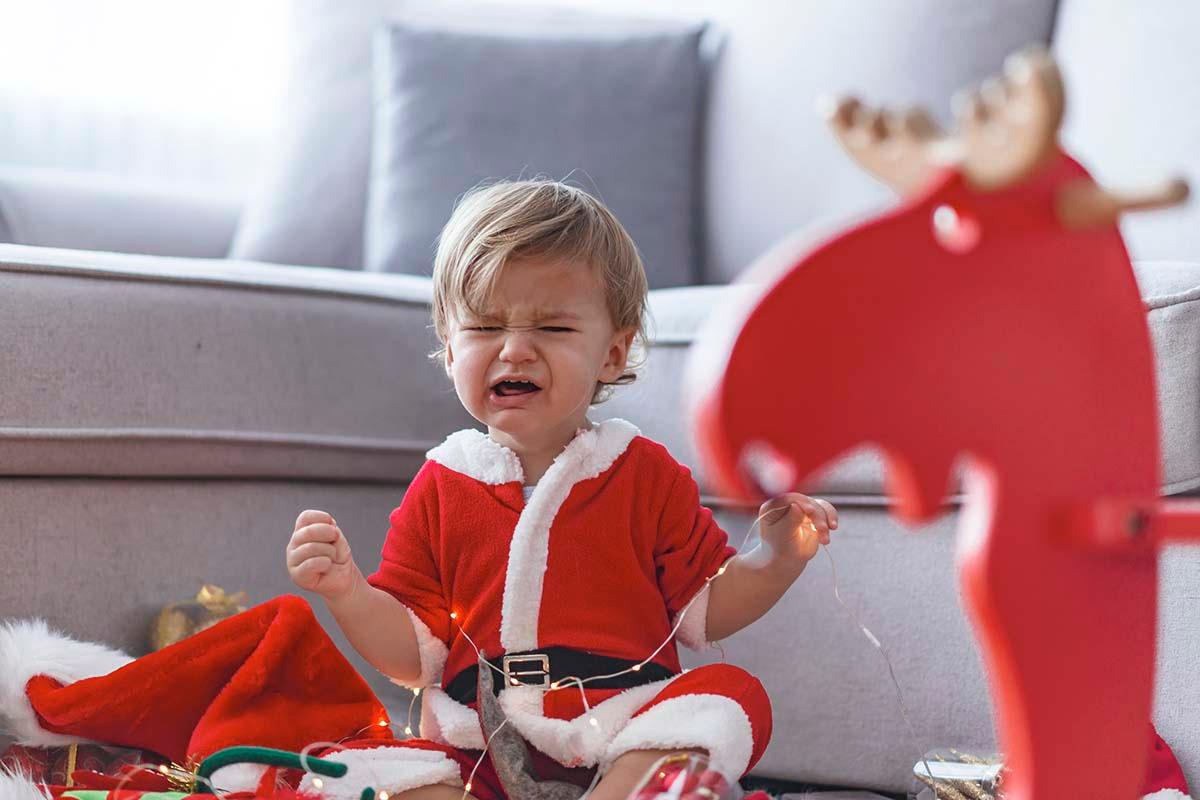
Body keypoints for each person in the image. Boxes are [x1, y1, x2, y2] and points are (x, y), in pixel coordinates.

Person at [286, 179, 839, 800]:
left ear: (613, 353)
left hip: (623, 729)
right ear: (448, 346)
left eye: (552, 327)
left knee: (731, 697)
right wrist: (347, 590)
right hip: (480, 749)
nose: (516, 349)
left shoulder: (643, 473)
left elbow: (707, 609)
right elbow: (415, 657)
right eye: (485, 326)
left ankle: (624, 791)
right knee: (355, 767)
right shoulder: (442, 486)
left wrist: (776, 558)